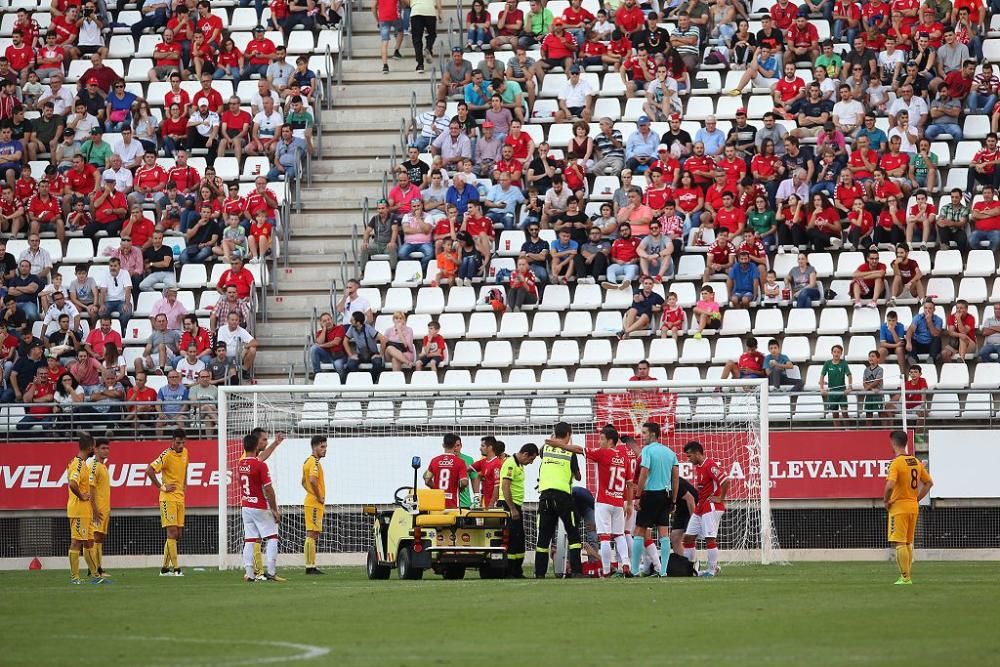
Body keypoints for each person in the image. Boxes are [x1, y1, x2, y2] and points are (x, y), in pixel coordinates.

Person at [534, 422, 583, 578]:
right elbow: (578, 476)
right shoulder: (570, 453)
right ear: (569, 434)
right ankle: (576, 571)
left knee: (543, 537)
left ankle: (540, 573)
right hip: (563, 497)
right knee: (574, 535)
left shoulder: (545, 449)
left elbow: (542, 451)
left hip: (545, 497)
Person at [883, 430, 933, 585]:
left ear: (893, 443)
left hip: (899, 506)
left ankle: (905, 577)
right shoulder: (915, 461)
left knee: (899, 542)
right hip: (913, 506)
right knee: (907, 542)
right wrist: (916, 498)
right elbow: (929, 483)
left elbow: (890, 485)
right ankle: (906, 576)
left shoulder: (896, 463)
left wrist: (886, 500)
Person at [239, 433, 284, 583]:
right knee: (272, 537)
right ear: (256, 446)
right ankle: (271, 572)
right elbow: (269, 489)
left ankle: (250, 574)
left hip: (246, 506)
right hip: (259, 505)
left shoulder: (240, 464)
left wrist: (275, 444)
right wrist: (275, 509)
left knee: (249, 539)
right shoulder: (260, 465)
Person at [588, 425, 632, 577]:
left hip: (603, 501)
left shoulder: (602, 453)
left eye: (601, 439)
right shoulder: (624, 457)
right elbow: (630, 483)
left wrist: (561, 445)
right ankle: (626, 564)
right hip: (619, 502)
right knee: (620, 535)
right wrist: (630, 503)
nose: (599, 441)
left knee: (604, 537)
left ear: (610, 441)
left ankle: (606, 570)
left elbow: (580, 450)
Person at [146, 428, 189, 577]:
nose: (181, 446)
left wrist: (185, 483)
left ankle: (164, 569)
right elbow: (149, 470)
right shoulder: (166, 455)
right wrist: (161, 486)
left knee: (177, 534)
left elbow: (186, 467)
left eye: (183, 443)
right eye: (178, 443)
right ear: (172, 441)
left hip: (179, 497)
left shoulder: (185, 452)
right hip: (167, 498)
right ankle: (176, 569)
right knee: (172, 532)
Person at [682, 440, 728, 577]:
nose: (688, 459)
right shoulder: (700, 466)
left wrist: (721, 498)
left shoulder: (709, 465)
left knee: (709, 538)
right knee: (688, 538)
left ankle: (712, 570)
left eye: (690, 456)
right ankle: (689, 569)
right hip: (701, 507)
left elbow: (725, 480)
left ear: (697, 453)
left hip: (711, 506)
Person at [498, 442, 539, 578]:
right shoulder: (511, 464)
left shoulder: (519, 464)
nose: (531, 463)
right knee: (512, 539)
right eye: (531, 459)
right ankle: (509, 571)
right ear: (525, 454)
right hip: (508, 506)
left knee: (520, 538)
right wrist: (512, 509)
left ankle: (516, 570)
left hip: (516, 506)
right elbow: (505, 487)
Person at [67, 433, 100, 584]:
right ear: (89, 447)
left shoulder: (83, 464)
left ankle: (95, 576)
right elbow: (72, 483)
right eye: (93, 446)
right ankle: (75, 578)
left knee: (89, 542)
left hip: (85, 511)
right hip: (78, 510)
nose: (95, 448)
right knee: (76, 542)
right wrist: (81, 496)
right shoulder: (78, 464)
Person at [424, 433, 470, 510]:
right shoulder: (460, 462)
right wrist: (460, 488)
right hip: (453, 504)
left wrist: (437, 490)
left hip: (437, 504)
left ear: (443, 445)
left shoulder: (434, 461)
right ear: (455, 446)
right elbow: (464, 482)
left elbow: (427, 480)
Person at [344, 310, 385, 381]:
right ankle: (359, 380)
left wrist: (380, 354)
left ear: (358, 322)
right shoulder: (352, 328)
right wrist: (351, 355)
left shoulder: (368, 328)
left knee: (378, 363)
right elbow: (345, 341)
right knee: (351, 364)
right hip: (360, 354)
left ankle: (370, 381)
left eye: (352, 319)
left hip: (372, 354)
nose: (350, 321)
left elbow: (383, 339)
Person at [820, 344, 852, 427]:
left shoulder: (843, 363)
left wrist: (849, 387)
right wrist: (822, 388)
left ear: (841, 353)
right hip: (832, 393)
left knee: (845, 413)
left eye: (838, 352)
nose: (836, 354)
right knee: (835, 414)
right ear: (832, 353)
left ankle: (848, 431)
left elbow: (849, 375)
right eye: (834, 352)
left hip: (842, 392)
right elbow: (822, 376)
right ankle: (837, 431)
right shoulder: (827, 363)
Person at [862, 350, 885, 425]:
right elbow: (864, 382)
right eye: (870, 356)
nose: (870, 358)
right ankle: (868, 430)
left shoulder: (880, 369)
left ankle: (884, 430)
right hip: (869, 395)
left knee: (881, 413)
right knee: (868, 413)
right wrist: (871, 389)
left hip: (878, 396)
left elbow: (877, 381)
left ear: (878, 359)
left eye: (873, 356)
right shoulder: (866, 370)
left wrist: (867, 388)